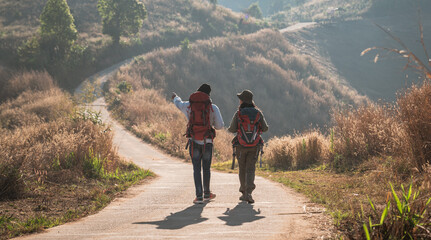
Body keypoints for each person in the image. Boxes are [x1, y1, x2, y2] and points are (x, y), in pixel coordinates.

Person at [172, 84, 224, 204]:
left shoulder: (189, 105)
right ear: (208, 95)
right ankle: (207, 193)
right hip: (208, 142)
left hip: (194, 141)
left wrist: (175, 97)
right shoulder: (212, 107)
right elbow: (220, 126)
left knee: (196, 169)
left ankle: (199, 196)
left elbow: (178, 104)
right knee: (206, 168)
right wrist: (211, 124)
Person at [228, 90, 268, 204]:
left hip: (240, 145)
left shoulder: (239, 113)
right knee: (251, 168)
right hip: (254, 145)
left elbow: (232, 129)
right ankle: (249, 193)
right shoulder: (258, 113)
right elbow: (265, 128)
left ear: (243, 100)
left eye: (240, 98)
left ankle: (244, 192)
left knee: (242, 168)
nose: (239, 100)